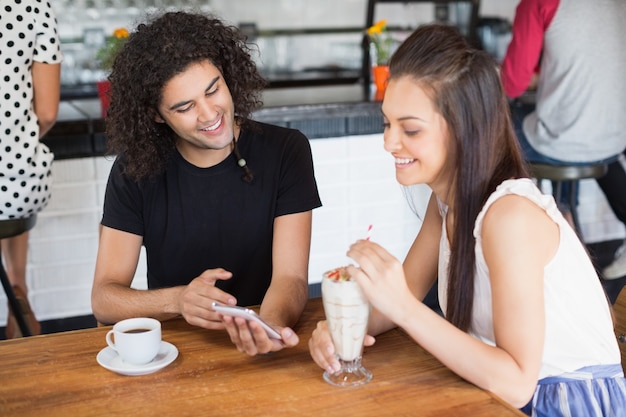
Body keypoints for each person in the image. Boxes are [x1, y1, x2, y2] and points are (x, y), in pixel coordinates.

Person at [308, 25, 626, 416]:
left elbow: (516, 382)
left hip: (559, 404)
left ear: (463, 129)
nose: (389, 142)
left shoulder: (509, 218)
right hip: (494, 396)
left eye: (409, 129)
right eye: (387, 123)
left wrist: (405, 306)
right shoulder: (445, 205)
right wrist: (343, 330)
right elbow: (395, 303)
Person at [91, 11, 322, 356]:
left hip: (263, 342)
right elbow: (104, 299)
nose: (210, 114)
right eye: (185, 107)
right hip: (173, 351)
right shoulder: (135, 170)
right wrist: (178, 300)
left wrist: (267, 327)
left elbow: (291, 279)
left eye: (213, 90)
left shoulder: (286, 150)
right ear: (156, 115)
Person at [500, 0, 626, 280]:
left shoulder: (538, 3)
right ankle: (565, 212)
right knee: (576, 134)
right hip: (614, 139)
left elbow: (513, 83)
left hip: (564, 141)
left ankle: (507, 241)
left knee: (495, 130)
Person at [0, 0, 62, 338]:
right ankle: (17, 289)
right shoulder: (33, 6)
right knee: (10, 183)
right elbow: (48, 112)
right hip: (18, 185)